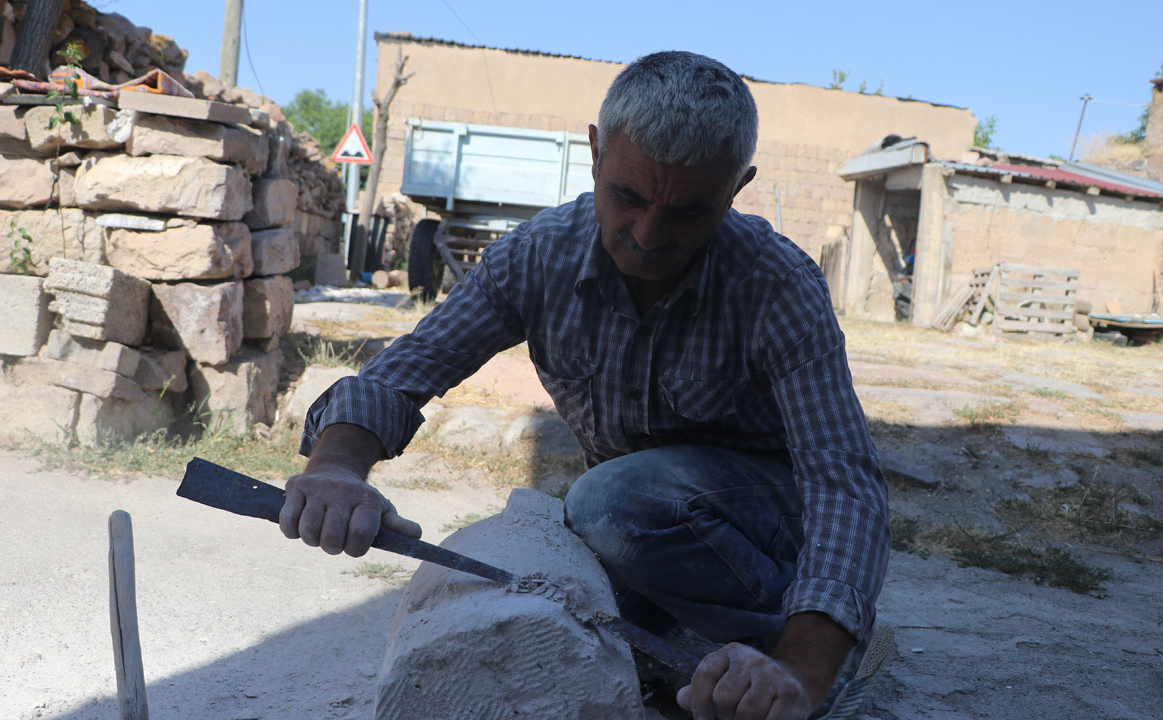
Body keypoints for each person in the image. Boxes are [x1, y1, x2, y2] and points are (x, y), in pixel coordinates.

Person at [281, 50, 890, 720]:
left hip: (764, 521)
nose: (648, 234)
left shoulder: (775, 283)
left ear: (736, 188)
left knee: (610, 502)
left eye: (689, 212)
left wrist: (803, 667)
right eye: (627, 197)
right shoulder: (539, 254)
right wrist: (338, 464)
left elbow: (843, 479)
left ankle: (799, 650)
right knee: (550, 609)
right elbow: (406, 371)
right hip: (647, 529)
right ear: (596, 154)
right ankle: (703, 649)